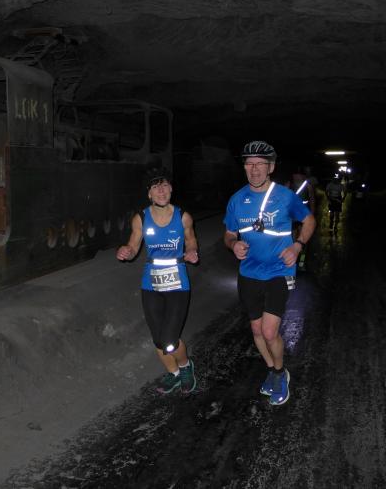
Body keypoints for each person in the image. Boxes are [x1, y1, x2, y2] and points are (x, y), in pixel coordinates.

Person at [223, 141, 316, 406]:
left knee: (269, 331)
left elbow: (309, 220)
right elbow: (229, 233)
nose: (254, 170)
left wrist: (297, 245)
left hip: (279, 271)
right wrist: (233, 244)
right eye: (249, 164)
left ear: (271, 167)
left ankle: (280, 372)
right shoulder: (236, 200)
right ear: (244, 167)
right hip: (249, 273)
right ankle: (272, 370)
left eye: (260, 164)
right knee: (256, 329)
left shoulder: (285, 196)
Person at [116, 168, 200, 394]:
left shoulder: (183, 216)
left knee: (169, 338)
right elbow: (133, 246)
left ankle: (185, 366)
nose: (161, 191)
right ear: (149, 193)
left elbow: (191, 241)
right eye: (155, 187)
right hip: (151, 283)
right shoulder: (141, 218)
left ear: (171, 188)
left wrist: (191, 252)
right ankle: (174, 374)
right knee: (158, 340)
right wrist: (126, 251)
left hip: (178, 282)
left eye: (164, 186)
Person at [291, 167, 316, 272]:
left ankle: (302, 262)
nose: (297, 177)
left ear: (303, 176)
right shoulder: (289, 185)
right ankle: (292, 261)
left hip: (303, 217)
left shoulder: (308, 186)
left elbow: (312, 200)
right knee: (291, 240)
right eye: (295, 174)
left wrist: (312, 215)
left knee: (303, 240)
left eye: (299, 174)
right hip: (291, 218)